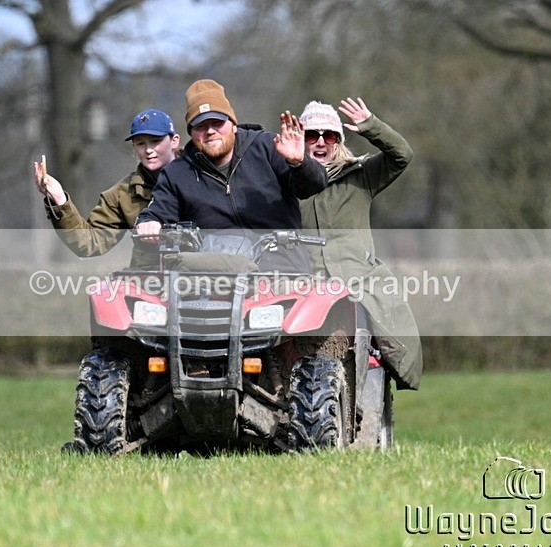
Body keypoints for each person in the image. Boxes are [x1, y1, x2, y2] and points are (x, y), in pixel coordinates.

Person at [135, 79, 327, 269]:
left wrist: (299, 163)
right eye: (201, 126)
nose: (210, 131)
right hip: (213, 278)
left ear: (233, 124)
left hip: (280, 270)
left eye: (217, 123)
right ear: (191, 133)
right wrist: (149, 223)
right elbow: (158, 211)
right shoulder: (177, 173)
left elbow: (314, 185)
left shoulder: (269, 147)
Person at [298, 97, 422, 390]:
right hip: (302, 286)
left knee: (382, 334)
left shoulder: (360, 175)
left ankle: (372, 396)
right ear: (299, 140)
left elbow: (401, 155)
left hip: (355, 285)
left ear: (338, 140)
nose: (319, 142)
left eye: (327, 135)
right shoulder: (285, 183)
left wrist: (370, 125)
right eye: (311, 135)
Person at [33, 108, 181, 268]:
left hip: (202, 276)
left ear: (174, 141)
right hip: (150, 279)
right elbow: (89, 243)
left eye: (155, 141)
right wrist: (60, 200)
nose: (148, 150)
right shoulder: (122, 194)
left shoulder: (201, 175)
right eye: (140, 143)